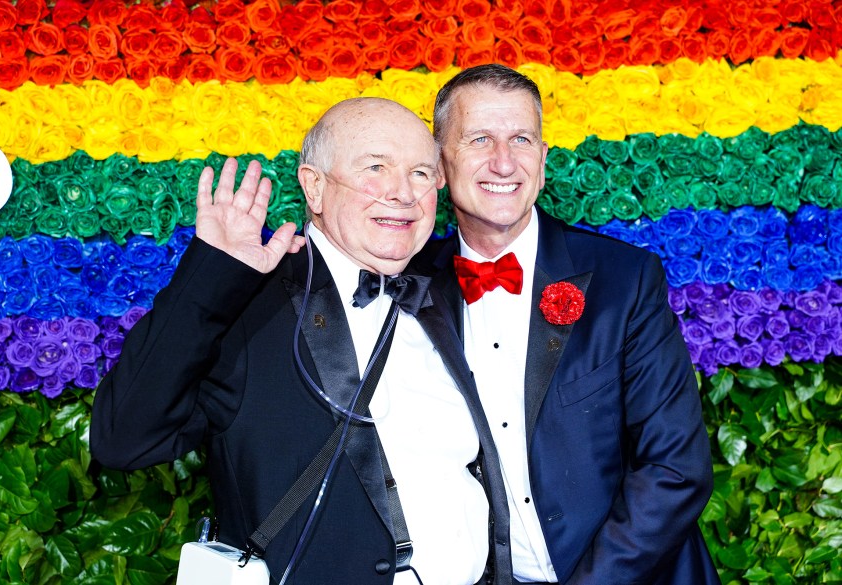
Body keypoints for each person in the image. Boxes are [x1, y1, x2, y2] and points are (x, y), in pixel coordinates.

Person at [90, 97, 512, 585]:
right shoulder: (250, 304)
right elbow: (123, 440)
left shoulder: (451, 296)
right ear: (314, 185)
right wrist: (209, 278)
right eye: (376, 166)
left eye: (421, 173)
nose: (403, 193)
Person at [417, 64, 720, 584]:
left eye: (521, 139)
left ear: (543, 159)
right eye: (479, 139)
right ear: (439, 163)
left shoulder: (625, 280)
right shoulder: (414, 288)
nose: (503, 161)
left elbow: (675, 470)